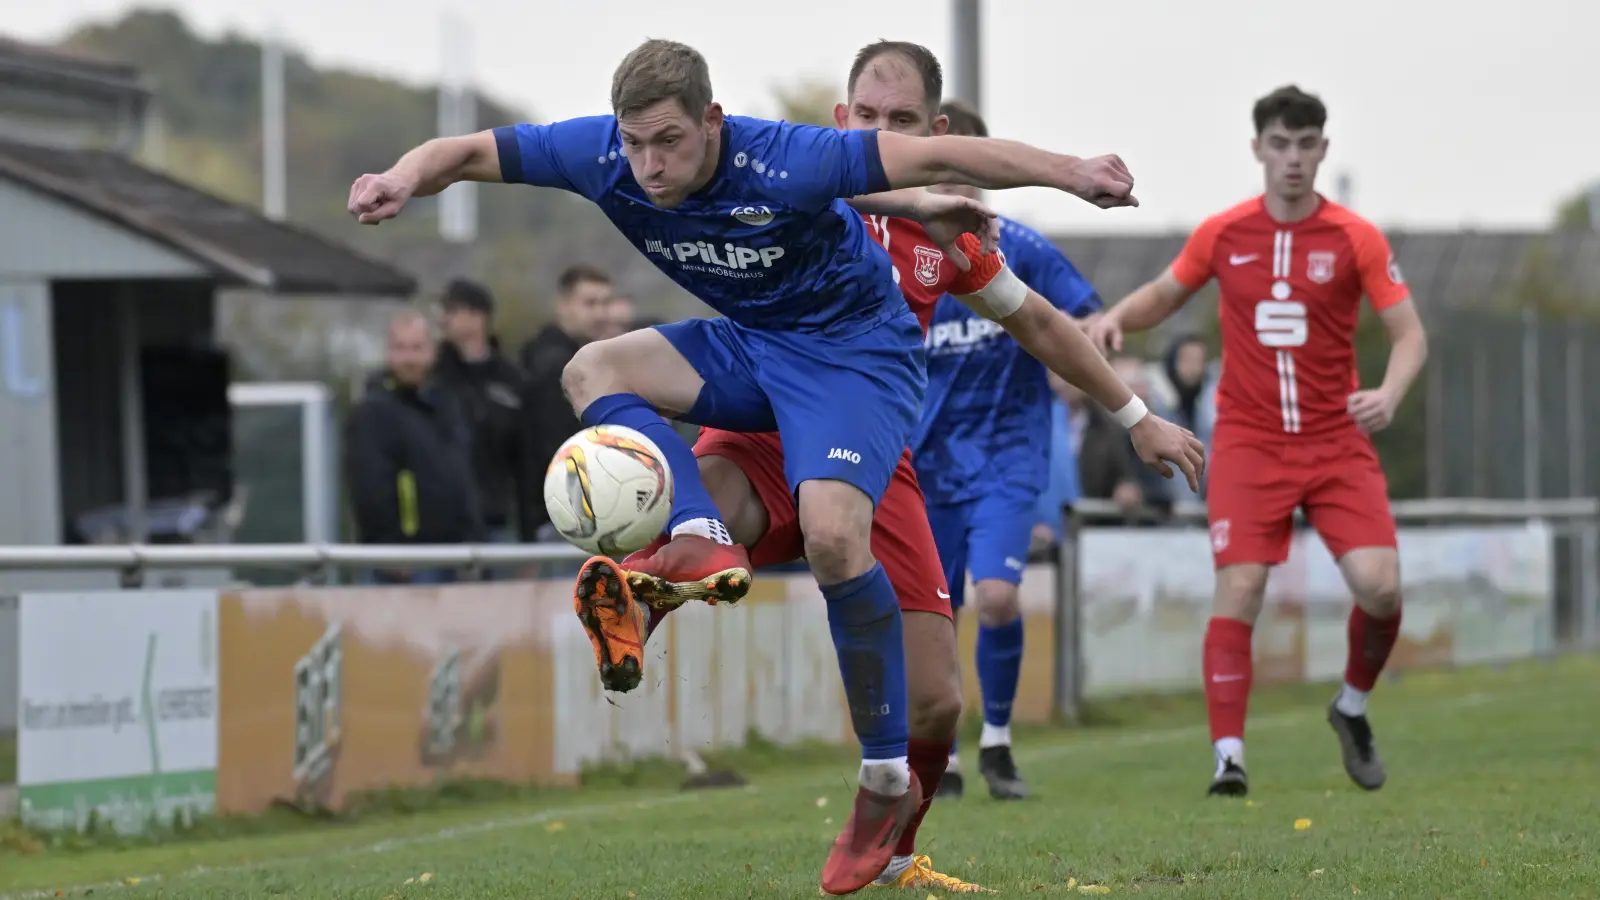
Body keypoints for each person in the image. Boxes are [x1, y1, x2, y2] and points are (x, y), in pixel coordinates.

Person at [348, 38, 1191, 896]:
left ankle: (892, 826)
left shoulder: (929, 225)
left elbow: (1039, 319)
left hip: (860, 399)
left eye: (900, 122)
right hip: (760, 373)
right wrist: (404, 177)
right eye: (869, 118)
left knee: (930, 689)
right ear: (843, 119)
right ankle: (667, 565)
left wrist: (1135, 410)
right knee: (595, 373)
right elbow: (469, 151)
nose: (649, 165)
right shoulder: (714, 161)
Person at [1086, 85, 1428, 797]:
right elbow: (1165, 291)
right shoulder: (1224, 233)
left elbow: (1409, 334)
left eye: (1306, 145)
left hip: (1336, 443)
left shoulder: (1355, 237)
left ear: (1323, 151)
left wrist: (1390, 393)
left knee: (1382, 587)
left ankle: (1352, 707)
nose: (1293, 159)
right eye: (1280, 144)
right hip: (1248, 441)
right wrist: (1117, 316)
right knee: (1240, 587)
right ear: (1258, 150)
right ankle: (1229, 760)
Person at [914, 99, 1105, 802]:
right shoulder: (903, 251)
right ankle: (946, 753)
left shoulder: (1017, 247)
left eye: (970, 169)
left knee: (996, 596)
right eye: (945, 168)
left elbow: (1086, 314)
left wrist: (1098, 349)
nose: (957, 183)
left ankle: (996, 742)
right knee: (937, 619)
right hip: (926, 466)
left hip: (1006, 457)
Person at [343, 311, 482, 583]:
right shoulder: (373, 410)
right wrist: (389, 548)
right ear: (388, 352)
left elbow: (463, 478)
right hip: (405, 562)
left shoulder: (447, 406)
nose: (409, 358)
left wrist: (473, 536)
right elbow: (369, 487)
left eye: (416, 348)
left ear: (431, 352)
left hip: (454, 556)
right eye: (400, 348)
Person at [432, 279, 537, 550]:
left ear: (477, 317)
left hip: (497, 524)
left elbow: (526, 464)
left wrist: (528, 536)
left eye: (451, 311)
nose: (443, 320)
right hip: (442, 527)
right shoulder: (434, 378)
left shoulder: (513, 381)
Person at [520, 264, 616, 540]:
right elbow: (554, 448)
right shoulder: (557, 366)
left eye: (605, 303)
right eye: (589, 303)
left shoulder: (584, 359)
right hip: (567, 517)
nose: (600, 313)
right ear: (564, 305)